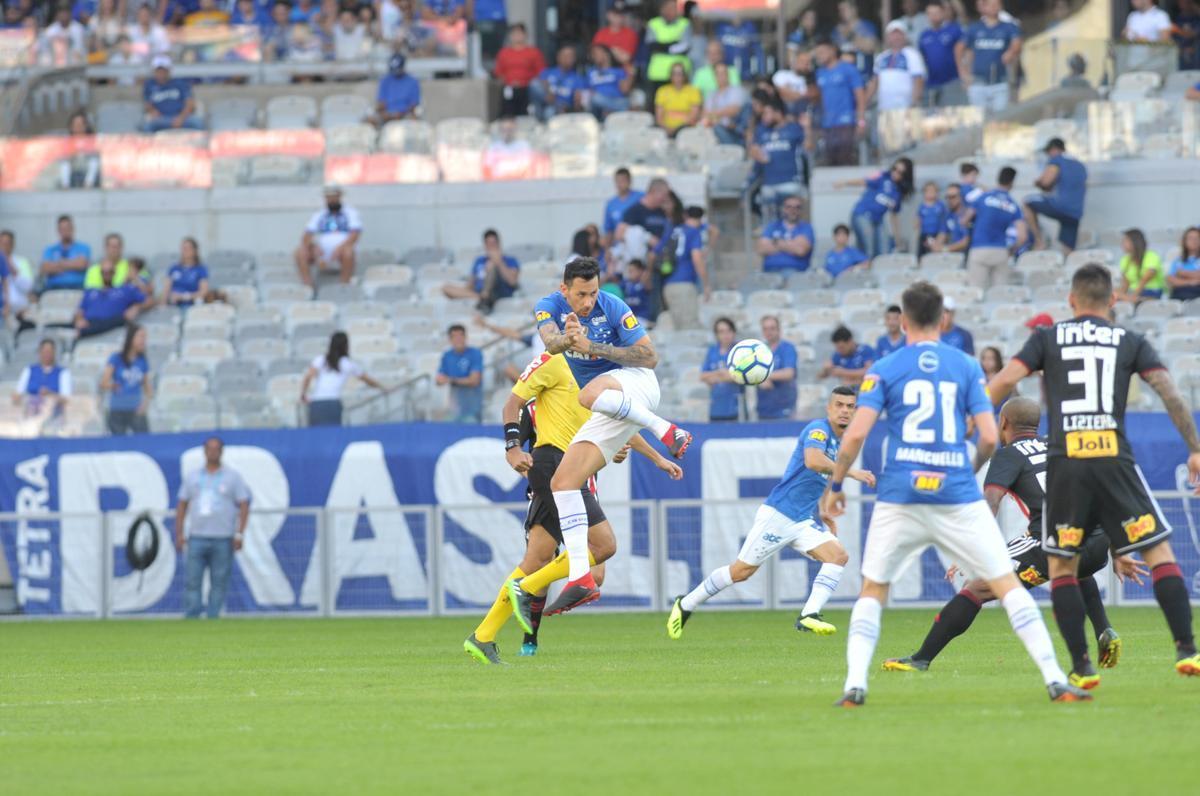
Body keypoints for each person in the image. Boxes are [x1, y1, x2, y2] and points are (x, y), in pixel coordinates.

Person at [822, 281, 1087, 707]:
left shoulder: (884, 369)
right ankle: (1056, 679)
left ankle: (855, 686)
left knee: (873, 589)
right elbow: (986, 436)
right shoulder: (965, 365)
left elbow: (855, 435)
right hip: (955, 493)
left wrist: (835, 486)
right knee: (1006, 584)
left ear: (903, 320)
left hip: (901, 492)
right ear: (943, 320)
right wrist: (963, 469)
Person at [987, 264, 1200, 683]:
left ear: (1071, 301)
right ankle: (1187, 650)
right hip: (1112, 458)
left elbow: (1006, 379)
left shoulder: (1048, 338)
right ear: (1114, 301)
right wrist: (1194, 448)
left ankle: (1082, 666)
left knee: (1063, 567)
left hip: (1066, 463)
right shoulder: (1130, 339)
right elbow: (1169, 392)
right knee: (1158, 554)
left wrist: (973, 420)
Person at [883, 397, 1139, 675]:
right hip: (1097, 539)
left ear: (1003, 422)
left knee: (976, 587)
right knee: (1077, 568)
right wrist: (1118, 550)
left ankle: (921, 658)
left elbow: (991, 501)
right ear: (1036, 424)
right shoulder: (1059, 445)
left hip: (1050, 542)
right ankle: (1104, 630)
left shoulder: (1008, 454)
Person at [531, 257, 690, 613]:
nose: (588, 301)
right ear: (564, 290)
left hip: (637, 385)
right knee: (562, 483)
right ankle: (579, 577)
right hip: (610, 404)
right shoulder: (548, 308)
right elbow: (550, 342)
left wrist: (593, 347)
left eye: (593, 292)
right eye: (581, 294)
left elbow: (650, 357)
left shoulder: (613, 306)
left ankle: (665, 427)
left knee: (585, 395)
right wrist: (567, 339)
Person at [668, 387, 873, 638]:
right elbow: (813, 461)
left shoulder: (843, 441)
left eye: (850, 406)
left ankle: (809, 615)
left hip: (802, 519)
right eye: (839, 405)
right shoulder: (818, 430)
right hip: (780, 514)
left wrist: (823, 508)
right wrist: (851, 472)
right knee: (741, 572)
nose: (844, 410)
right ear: (829, 408)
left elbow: (823, 475)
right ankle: (686, 603)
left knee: (838, 556)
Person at [175, 437, 251, 620]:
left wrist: (239, 533)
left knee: (219, 581)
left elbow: (243, 504)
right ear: (204, 451)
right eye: (210, 449)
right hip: (197, 536)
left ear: (222, 452)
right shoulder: (193, 476)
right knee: (193, 581)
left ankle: (213, 618)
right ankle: (192, 617)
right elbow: (182, 505)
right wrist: (179, 533)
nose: (213, 452)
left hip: (223, 537)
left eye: (216, 449)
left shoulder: (232, 477)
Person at [300, 331, 384, 426]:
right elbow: (368, 380)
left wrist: (303, 394)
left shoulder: (320, 360)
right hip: (333, 403)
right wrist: (382, 388)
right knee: (334, 435)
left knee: (317, 435)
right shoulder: (348, 364)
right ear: (346, 346)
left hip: (317, 402)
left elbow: (308, 377)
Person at [837, 157, 914, 258]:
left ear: (905, 176)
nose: (895, 173)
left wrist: (897, 239)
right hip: (862, 214)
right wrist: (845, 182)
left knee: (884, 250)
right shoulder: (883, 177)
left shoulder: (898, 193)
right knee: (869, 250)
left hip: (878, 220)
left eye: (900, 172)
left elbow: (894, 217)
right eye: (894, 169)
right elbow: (863, 181)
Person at [1023, 138, 1087, 253]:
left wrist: (1038, 182)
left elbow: (1046, 182)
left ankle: (1039, 241)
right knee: (1068, 249)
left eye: (1048, 152)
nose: (1048, 155)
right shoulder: (1080, 165)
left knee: (1027, 202)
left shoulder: (1056, 161)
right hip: (1076, 212)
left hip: (1060, 206)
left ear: (1054, 149)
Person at [957, 0, 1022, 113]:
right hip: (978, 82)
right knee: (979, 119)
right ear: (983, 7)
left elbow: (1017, 43)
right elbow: (959, 49)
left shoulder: (1009, 27)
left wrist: (1011, 52)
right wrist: (962, 72)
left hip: (1000, 82)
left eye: (997, 4)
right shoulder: (974, 28)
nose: (994, 7)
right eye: (991, 5)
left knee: (1000, 118)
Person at [748, 97, 807, 222]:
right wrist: (757, 153)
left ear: (778, 113)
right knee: (769, 222)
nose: (763, 117)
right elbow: (753, 149)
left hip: (790, 181)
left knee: (790, 221)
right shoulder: (761, 130)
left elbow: (808, 147)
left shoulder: (793, 128)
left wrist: (807, 128)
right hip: (768, 183)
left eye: (767, 113)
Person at [966, 166, 1024, 289]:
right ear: (1012, 182)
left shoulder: (984, 198)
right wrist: (1011, 250)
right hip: (1000, 250)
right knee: (999, 294)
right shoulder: (1013, 204)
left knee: (977, 292)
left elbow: (965, 219)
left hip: (979, 248)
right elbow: (1022, 236)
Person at [653, 205, 710, 329]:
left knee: (678, 329)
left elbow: (654, 253)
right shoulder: (694, 232)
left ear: (685, 216)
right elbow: (697, 258)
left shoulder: (673, 231)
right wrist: (706, 284)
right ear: (701, 219)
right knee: (690, 329)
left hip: (668, 285)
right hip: (684, 284)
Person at [296, 184, 361, 287]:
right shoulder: (319, 214)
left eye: (334, 196)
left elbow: (355, 235)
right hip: (322, 252)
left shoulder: (350, 213)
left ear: (340, 196)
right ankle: (308, 286)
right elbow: (306, 236)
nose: (332, 199)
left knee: (348, 252)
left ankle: (344, 285)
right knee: (300, 251)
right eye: (329, 197)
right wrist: (314, 247)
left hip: (342, 252)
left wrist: (340, 248)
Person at [813, 38, 865, 166]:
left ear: (832, 51)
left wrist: (861, 121)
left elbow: (860, 96)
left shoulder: (848, 69)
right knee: (829, 161)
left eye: (822, 52)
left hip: (846, 122)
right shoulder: (819, 73)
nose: (819, 56)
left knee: (845, 160)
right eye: (817, 53)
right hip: (827, 124)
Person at [442, 228, 520, 312]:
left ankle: (485, 297)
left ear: (499, 244)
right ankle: (482, 298)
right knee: (446, 288)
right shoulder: (479, 261)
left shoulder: (510, 260)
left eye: (493, 243)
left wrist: (498, 262)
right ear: (485, 245)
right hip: (478, 293)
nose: (491, 247)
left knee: (492, 267)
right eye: (488, 244)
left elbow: (512, 281)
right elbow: (470, 285)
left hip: (498, 292)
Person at [74, 258, 151, 337]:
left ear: (114, 272)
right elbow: (80, 311)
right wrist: (79, 319)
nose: (107, 275)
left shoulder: (125, 290)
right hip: (90, 324)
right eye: (104, 272)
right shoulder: (90, 292)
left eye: (110, 272)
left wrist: (137, 307)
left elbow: (149, 300)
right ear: (100, 273)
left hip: (114, 324)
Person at [101, 323, 152, 435]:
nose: (143, 341)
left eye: (145, 337)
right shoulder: (116, 358)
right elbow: (103, 382)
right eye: (140, 336)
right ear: (131, 338)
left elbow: (148, 389)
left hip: (136, 410)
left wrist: (144, 405)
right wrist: (113, 386)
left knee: (143, 441)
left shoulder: (142, 361)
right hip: (117, 409)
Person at [869, 21, 926, 111]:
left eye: (899, 34)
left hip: (906, 108)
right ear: (888, 37)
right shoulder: (881, 57)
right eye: (893, 34)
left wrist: (914, 103)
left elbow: (918, 80)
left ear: (905, 36)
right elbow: (874, 82)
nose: (896, 37)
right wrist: (864, 104)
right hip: (884, 108)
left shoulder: (912, 55)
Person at [614, 178, 671, 265]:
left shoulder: (662, 211)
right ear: (653, 192)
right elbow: (619, 235)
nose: (665, 198)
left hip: (660, 259)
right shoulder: (634, 211)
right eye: (664, 195)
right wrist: (646, 238)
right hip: (641, 262)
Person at [493, 22, 545, 117]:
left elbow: (541, 73)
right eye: (514, 33)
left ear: (525, 35)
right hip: (509, 87)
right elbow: (499, 72)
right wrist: (509, 82)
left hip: (527, 88)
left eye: (519, 33)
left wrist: (524, 82)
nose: (517, 36)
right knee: (507, 96)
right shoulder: (504, 53)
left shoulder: (533, 52)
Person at [141, 56, 203, 132]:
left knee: (197, 123)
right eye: (158, 71)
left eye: (164, 70)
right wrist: (153, 111)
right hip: (162, 118)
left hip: (181, 117)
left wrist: (181, 118)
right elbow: (147, 103)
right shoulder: (150, 85)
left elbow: (190, 103)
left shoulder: (180, 83)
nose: (161, 73)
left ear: (169, 71)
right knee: (147, 126)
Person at [436, 324, 484, 423]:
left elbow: (474, 381)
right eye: (454, 336)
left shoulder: (475, 353)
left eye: (461, 335)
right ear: (450, 339)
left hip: (472, 407)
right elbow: (439, 380)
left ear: (466, 337)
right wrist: (463, 380)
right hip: (454, 408)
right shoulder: (447, 355)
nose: (458, 339)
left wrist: (451, 380)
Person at [13, 339, 72, 416]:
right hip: (31, 412)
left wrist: (50, 394)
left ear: (54, 353)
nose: (47, 354)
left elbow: (66, 399)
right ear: (39, 352)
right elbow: (18, 393)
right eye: (44, 351)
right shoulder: (29, 370)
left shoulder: (63, 373)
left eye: (50, 351)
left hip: (54, 413)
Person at [757, 196, 814, 274]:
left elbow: (801, 250)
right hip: (769, 271)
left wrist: (776, 242)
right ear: (783, 209)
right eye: (789, 207)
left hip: (796, 272)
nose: (793, 210)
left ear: (801, 210)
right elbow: (761, 249)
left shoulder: (806, 227)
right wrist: (792, 244)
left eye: (797, 207)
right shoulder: (772, 226)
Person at [700, 316, 742, 421]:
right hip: (716, 407)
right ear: (717, 334)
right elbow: (703, 376)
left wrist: (716, 377)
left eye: (728, 331)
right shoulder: (712, 351)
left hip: (736, 407)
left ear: (734, 332)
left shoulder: (740, 350)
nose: (725, 335)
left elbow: (741, 376)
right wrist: (722, 373)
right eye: (721, 331)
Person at [756, 315, 798, 420]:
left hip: (784, 407)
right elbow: (752, 374)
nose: (768, 332)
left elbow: (789, 373)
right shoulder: (758, 350)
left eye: (772, 328)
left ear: (779, 330)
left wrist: (764, 377)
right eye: (765, 329)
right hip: (763, 407)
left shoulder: (787, 348)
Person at [645, 0, 692, 94]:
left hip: (680, 73)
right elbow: (652, 46)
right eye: (669, 7)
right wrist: (674, 44)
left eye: (674, 8)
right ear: (662, 9)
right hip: (658, 73)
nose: (672, 10)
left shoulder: (685, 23)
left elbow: (685, 47)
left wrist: (662, 46)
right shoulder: (653, 23)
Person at [531, 44, 583, 121]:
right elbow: (539, 85)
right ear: (558, 57)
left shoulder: (577, 78)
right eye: (564, 55)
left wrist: (576, 104)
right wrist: (549, 93)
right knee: (534, 84)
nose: (567, 58)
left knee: (549, 112)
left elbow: (579, 101)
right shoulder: (548, 72)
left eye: (570, 56)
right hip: (544, 104)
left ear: (574, 59)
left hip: (563, 110)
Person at [40, 214, 91, 292]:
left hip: (77, 289)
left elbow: (82, 264)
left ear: (73, 228)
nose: (65, 231)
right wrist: (73, 264)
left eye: (67, 228)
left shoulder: (83, 247)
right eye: (62, 229)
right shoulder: (50, 249)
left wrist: (58, 264)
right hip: (53, 290)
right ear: (58, 230)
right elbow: (45, 268)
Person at [1114, 228, 1166, 304]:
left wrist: (1132, 297)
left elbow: (1144, 281)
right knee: (1108, 293)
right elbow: (1125, 285)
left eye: (1125, 241)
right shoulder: (1124, 260)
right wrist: (1118, 294)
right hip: (1132, 293)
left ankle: (1135, 300)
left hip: (1150, 291)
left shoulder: (1151, 256)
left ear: (1135, 242)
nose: (1122, 244)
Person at [584, 43, 634, 120]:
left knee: (626, 102)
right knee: (594, 98)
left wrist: (630, 76)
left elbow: (624, 90)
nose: (594, 56)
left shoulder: (618, 71)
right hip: (598, 103)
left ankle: (610, 112)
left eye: (596, 53)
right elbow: (587, 90)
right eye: (593, 54)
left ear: (606, 54)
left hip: (617, 101)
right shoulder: (591, 72)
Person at [655, 62, 702, 136]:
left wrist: (676, 129)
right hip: (665, 129)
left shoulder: (694, 91)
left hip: (686, 129)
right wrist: (666, 128)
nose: (677, 76)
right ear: (670, 75)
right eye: (674, 73)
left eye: (680, 73)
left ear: (684, 75)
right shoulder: (662, 91)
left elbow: (694, 116)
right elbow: (659, 117)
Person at [1, 230, 35, 329]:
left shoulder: (22, 262)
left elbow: (27, 287)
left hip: (20, 311)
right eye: (1, 243)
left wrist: (12, 269)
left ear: (12, 245)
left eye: (6, 244)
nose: (3, 247)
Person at [373, 53, 421, 124]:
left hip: (405, 114)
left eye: (398, 69)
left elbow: (414, 104)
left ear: (403, 67)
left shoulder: (413, 82)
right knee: (370, 120)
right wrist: (384, 113)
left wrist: (400, 113)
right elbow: (381, 102)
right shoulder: (385, 80)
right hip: (387, 115)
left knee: (413, 120)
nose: (396, 72)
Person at [602, 168, 642, 250]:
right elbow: (609, 230)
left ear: (629, 181)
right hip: (619, 247)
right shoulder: (611, 204)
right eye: (617, 181)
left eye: (623, 180)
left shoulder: (640, 197)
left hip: (638, 245)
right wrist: (607, 250)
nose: (620, 184)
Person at [59, 110, 100, 189]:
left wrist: (86, 149)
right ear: (71, 127)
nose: (78, 127)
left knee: (94, 162)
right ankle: (65, 186)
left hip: (87, 169)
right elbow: (63, 158)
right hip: (73, 169)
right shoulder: (67, 140)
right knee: (64, 164)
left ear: (85, 126)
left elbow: (96, 155)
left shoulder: (92, 139)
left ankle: (88, 185)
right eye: (76, 125)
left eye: (80, 125)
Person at [165, 237, 210, 307]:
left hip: (193, 306)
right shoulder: (174, 268)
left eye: (188, 248)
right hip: (174, 306)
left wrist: (183, 297)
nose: (185, 251)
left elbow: (204, 292)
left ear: (195, 251)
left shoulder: (201, 269)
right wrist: (163, 303)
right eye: (183, 248)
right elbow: (166, 290)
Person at [592, 2, 638, 67]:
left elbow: (625, 58)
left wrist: (607, 50)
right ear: (608, 15)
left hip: (622, 72)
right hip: (603, 72)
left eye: (621, 15)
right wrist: (614, 50)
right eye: (615, 14)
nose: (618, 17)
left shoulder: (630, 34)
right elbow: (596, 57)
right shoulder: (601, 34)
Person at [932, 182, 971, 254]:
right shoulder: (948, 215)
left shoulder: (969, 215)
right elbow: (942, 234)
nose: (949, 200)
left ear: (961, 197)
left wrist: (945, 249)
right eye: (947, 197)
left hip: (970, 255)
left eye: (952, 197)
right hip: (956, 255)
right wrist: (935, 246)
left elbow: (966, 241)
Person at [915, 181, 948, 257]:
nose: (931, 193)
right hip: (925, 234)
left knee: (935, 254)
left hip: (937, 234)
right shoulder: (922, 206)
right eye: (928, 191)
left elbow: (943, 221)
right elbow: (918, 218)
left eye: (933, 191)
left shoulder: (940, 205)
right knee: (922, 254)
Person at [1167, 227, 1200, 301]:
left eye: (1197, 238)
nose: (1194, 241)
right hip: (1179, 294)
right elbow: (1171, 280)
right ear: (1184, 241)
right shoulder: (1178, 260)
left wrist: (1182, 273)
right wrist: (1191, 281)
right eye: (1190, 238)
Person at [620, 258, 656, 325]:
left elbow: (649, 286)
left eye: (632, 271)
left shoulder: (645, 283)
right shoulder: (625, 283)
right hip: (629, 317)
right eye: (629, 271)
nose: (630, 273)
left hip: (642, 318)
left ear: (640, 271)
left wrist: (645, 275)